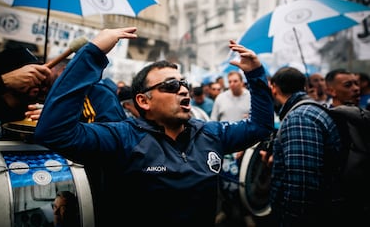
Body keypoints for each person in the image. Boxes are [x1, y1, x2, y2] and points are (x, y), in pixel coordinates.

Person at [34, 27, 274, 227]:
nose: (182, 89)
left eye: (183, 83)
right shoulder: (123, 138)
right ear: (143, 101)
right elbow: (54, 132)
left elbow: (260, 127)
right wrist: (92, 53)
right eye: (170, 85)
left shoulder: (210, 134)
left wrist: (255, 75)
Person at [261, 67, 344, 226]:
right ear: (304, 87)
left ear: (273, 88)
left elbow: (302, 185)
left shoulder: (299, 118)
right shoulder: (307, 110)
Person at [211, 70, 253, 227]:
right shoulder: (221, 98)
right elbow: (213, 120)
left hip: (246, 148)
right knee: (224, 182)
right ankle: (225, 211)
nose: (233, 84)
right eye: (230, 81)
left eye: (236, 81)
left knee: (244, 182)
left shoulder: (250, 97)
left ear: (242, 82)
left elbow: (256, 123)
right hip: (224, 148)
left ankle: (246, 212)